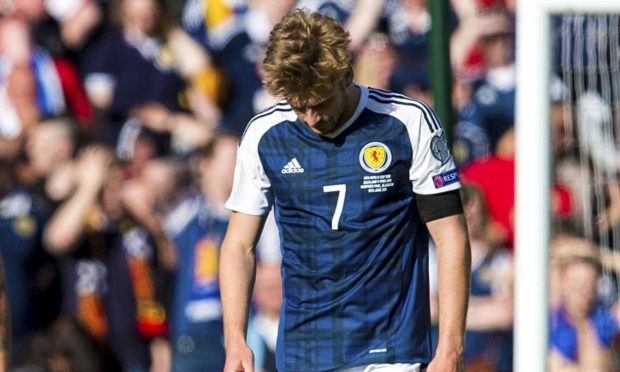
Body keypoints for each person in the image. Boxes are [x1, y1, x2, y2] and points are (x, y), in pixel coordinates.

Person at [220, 9, 471, 372]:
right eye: (299, 106)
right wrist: (235, 340)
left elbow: (450, 235)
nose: (311, 118)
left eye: (320, 104)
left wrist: (450, 347)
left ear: (344, 75)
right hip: (305, 352)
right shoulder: (265, 136)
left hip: (390, 350)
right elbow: (238, 245)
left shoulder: (406, 122)